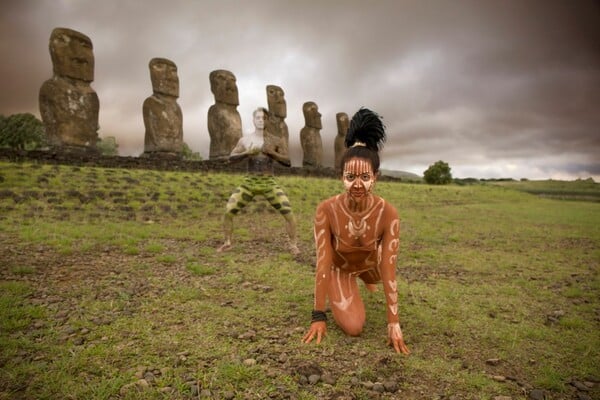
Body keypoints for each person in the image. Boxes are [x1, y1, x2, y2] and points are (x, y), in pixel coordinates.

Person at [302, 108, 410, 354]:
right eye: (351, 176)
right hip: (340, 267)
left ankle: (365, 277)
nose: (358, 184)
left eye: (365, 176)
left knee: (380, 275)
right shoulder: (326, 210)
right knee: (354, 327)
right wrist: (318, 315)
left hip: (371, 265)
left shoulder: (388, 213)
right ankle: (350, 280)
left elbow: (389, 268)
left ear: (376, 177)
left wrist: (393, 322)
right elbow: (323, 262)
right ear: (341, 176)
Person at [217, 107, 300, 255]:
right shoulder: (245, 140)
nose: (261, 120)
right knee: (228, 211)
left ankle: (293, 245)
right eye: (258, 118)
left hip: (269, 183)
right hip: (249, 182)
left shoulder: (275, 140)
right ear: (253, 120)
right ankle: (227, 242)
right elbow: (231, 158)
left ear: (267, 120)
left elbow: (287, 162)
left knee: (289, 213)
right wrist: (247, 153)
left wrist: (272, 153)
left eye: (264, 118)